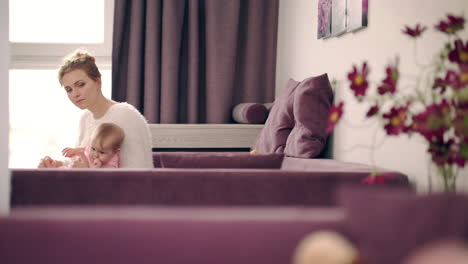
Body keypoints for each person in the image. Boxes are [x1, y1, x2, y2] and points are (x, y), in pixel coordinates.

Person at [38, 49, 154, 168]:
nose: (75, 94)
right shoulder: (85, 118)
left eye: (81, 84)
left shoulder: (126, 116)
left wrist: (86, 173)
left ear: (98, 81)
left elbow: (137, 173)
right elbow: (81, 161)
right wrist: (57, 165)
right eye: (69, 89)